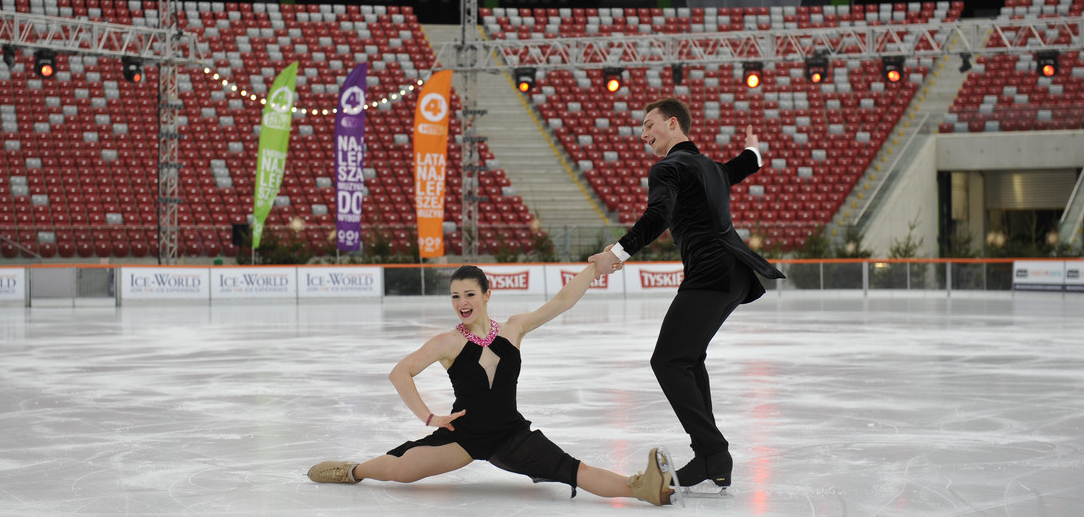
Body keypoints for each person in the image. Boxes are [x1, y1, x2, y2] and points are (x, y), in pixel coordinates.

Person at [307, 262, 676, 506]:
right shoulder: (448, 342)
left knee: (572, 469)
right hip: (463, 436)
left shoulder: (514, 329)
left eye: (469, 294)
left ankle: (641, 487)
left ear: (486, 294)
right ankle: (351, 471)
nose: (461, 302)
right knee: (397, 471)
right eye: (454, 296)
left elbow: (562, 300)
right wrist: (429, 417)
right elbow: (399, 373)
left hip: (511, 435)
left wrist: (595, 266)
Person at [589, 97, 785, 496]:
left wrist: (617, 253)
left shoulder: (669, 167)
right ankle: (713, 458)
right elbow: (740, 168)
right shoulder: (709, 168)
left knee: (668, 360)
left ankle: (713, 454)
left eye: (648, 125)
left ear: (673, 125)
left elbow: (658, 215)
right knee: (688, 359)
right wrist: (753, 152)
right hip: (734, 274)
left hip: (711, 270)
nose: (642, 135)